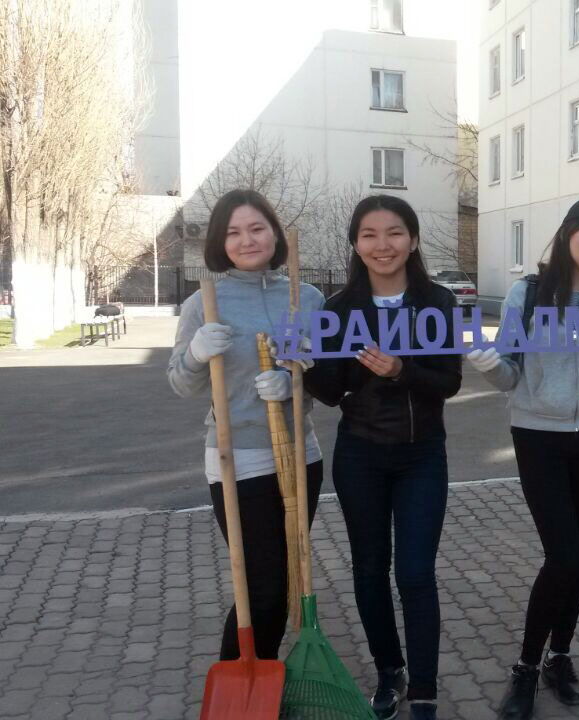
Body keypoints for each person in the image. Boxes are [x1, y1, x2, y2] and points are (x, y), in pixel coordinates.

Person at [466, 196, 579, 720]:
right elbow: (509, 373)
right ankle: (526, 666)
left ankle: (560, 657)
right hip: (538, 438)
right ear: (569, 232)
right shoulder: (527, 294)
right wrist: (488, 365)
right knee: (564, 554)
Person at [303, 195, 462, 720]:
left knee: (415, 573)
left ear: (413, 240)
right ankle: (389, 670)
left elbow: (449, 382)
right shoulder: (339, 309)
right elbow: (330, 392)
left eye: (394, 232)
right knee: (370, 570)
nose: (382, 245)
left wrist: (401, 371)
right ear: (355, 244)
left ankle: (424, 689)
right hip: (360, 456)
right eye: (369, 234)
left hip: (422, 456)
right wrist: (304, 364)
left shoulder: (437, 302)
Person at [167, 189, 326, 664]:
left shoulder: (307, 298)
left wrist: (294, 384)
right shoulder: (204, 303)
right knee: (262, 586)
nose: (247, 239)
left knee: (290, 575)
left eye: (257, 228)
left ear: (275, 234)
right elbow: (181, 384)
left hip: (300, 453)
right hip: (238, 458)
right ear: (220, 241)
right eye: (234, 232)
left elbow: (324, 381)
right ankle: (243, 679)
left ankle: (267, 678)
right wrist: (196, 354)